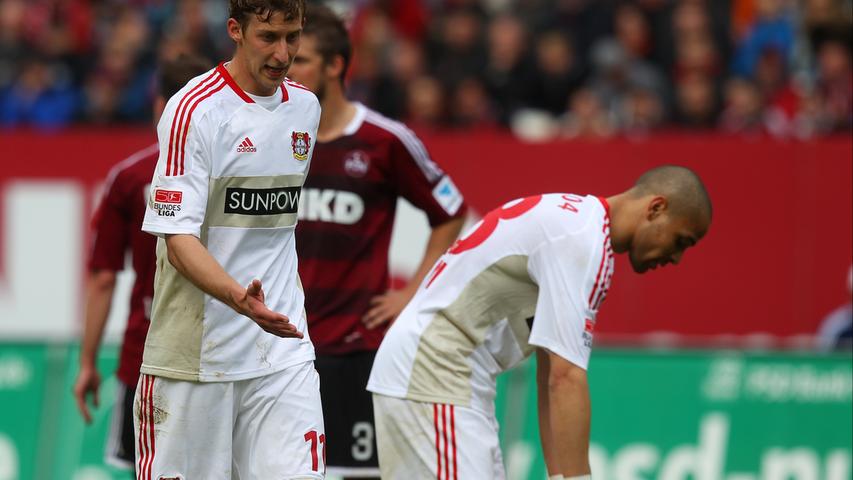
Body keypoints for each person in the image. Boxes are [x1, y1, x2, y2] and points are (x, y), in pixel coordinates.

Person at [367, 166, 713, 480]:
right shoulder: (583, 241)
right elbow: (566, 379)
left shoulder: (582, 228)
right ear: (655, 208)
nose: (677, 257)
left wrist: (560, 475)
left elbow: (551, 372)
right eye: (681, 240)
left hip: (444, 380)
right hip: (434, 375)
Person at [136, 0, 325, 477]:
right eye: (268, 38)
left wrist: (257, 309)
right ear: (235, 31)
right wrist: (240, 299)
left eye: (293, 36)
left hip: (282, 354)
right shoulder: (194, 110)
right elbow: (178, 239)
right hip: (196, 360)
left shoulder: (304, 107)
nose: (283, 54)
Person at [287, 5, 467, 478]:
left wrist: (412, 293)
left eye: (302, 59)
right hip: (282, 348)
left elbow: (451, 212)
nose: (290, 69)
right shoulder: (274, 138)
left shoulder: (384, 141)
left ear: (336, 66)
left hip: (355, 348)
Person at [71, 54, 211, 473]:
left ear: (158, 104)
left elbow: (102, 279)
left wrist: (87, 364)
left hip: (149, 356)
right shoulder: (234, 172)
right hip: (223, 352)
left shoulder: (131, 177)